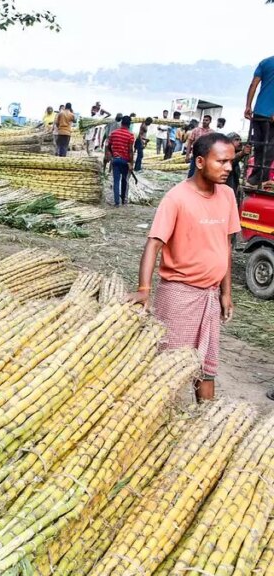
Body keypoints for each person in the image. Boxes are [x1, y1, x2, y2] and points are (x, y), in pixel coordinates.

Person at [129, 133, 240, 403]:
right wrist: (144, 290)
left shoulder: (227, 195)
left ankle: (204, 422)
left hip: (210, 296)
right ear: (200, 161)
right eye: (221, 161)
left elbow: (225, 246)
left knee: (207, 367)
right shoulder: (176, 198)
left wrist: (226, 293)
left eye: (231, 162)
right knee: (168, 367)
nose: (228, 168)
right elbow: (153, 245)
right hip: (179, 295)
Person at [245, 53, 274, 188]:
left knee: (259, 147)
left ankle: (255, 179)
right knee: (269, 149)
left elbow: (253, 85)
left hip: (259, 112)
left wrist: (248, 106)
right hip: (271, 116)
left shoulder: (264, 62)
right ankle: (258, 179)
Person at [108, 116, 135, 206]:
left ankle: (116, 202)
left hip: (116, 160)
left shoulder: (114, 133)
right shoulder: (130, 135)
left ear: (121, 123)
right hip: (125, 161)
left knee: (116, 181)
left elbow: (108, 146)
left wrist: (113, 155)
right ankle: (124, 200)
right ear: (129, 124)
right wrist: (131, 163)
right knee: (124, 180)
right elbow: (130, 150)